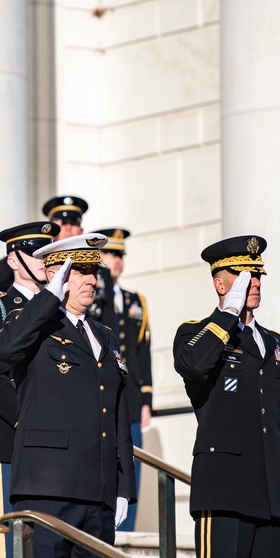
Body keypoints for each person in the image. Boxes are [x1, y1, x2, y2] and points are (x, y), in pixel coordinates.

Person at [0, 233, 135, 558]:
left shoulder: (103, 335)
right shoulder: (34, 323)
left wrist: (123, 485)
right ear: (58, 275)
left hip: (97, 489)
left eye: (95, 272)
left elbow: (117, 411)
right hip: (48, 487)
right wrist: (47, 298)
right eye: (81, 271)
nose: (92, 280)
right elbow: (6, 348)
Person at [173, 235, 280, 558]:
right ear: (220, 283)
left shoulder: (277, 344)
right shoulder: (196, 333)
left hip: (272, 492)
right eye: (244, 276)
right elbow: (194, 365)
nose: (255, 282)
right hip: (224, 488)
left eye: (258, 275)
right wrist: (228, 313)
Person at [0, 221, 58, 558]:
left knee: (51, 544)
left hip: (57, 443)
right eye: (34, 253)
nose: (43, 261)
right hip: (12, 435)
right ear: (13, 260)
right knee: (12, 544)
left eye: (46, 253)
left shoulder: (61, 309)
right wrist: (33, 422)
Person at [92, 228, 152, 532]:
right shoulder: (93, 297)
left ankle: (127, 533)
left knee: (132, 468)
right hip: (102, 394)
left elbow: (143, 354)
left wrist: (147, 400)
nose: (116, 261)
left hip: (130, 396)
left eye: (120, 255)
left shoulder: (135, 300)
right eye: (110, 254)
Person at [0, 195, 88, 292]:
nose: (68, 228)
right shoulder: (42, 259)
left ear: (81, 230)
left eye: (74, 223)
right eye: (63, 224)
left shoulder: (90, 260)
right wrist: (50, 242)